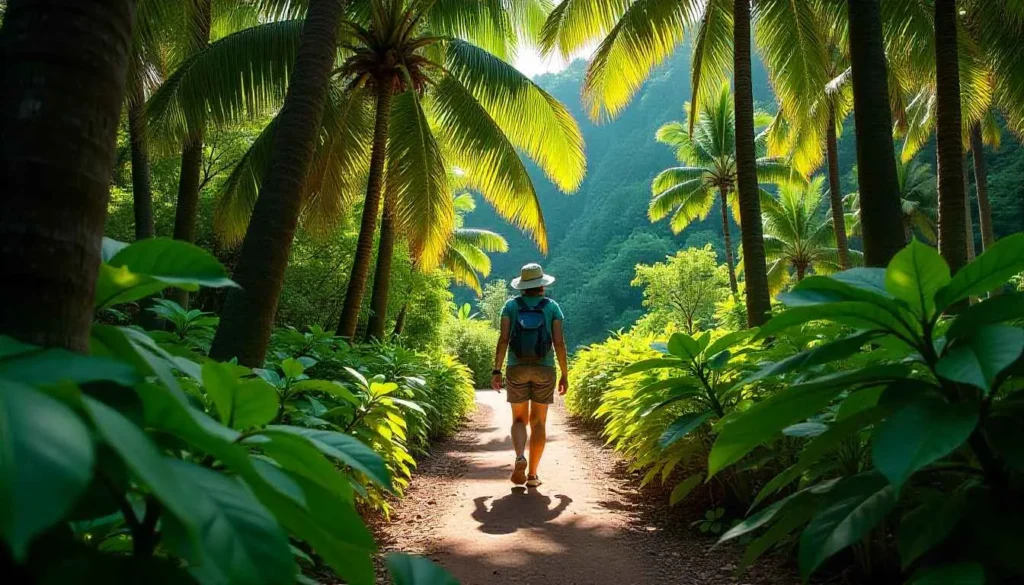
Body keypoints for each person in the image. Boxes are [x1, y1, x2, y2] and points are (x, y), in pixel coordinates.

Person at [491, 263, 569, 488]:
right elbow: (559, 343)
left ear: (522, 287)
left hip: (516, 368)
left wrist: (496, 370)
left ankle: (519, 457)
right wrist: (564, 373)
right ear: (542, 286)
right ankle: (533, 475)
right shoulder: (552, 307)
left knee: (518, 420)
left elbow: (503, 340)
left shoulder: (510, 306)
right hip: (545, 368)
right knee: (538, 423)